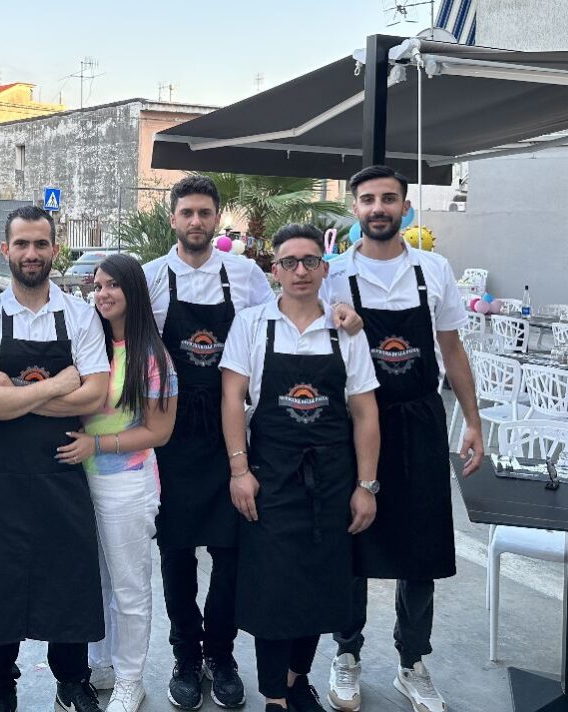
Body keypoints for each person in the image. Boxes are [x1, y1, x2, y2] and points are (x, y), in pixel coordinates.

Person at [142, 175, 362, 710]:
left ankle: (221, 653)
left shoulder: (244, 276)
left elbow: (297, 303)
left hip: (229, 429)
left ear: (217, 219)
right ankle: (185, 656)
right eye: (187, 212)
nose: (196, 221)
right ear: (173, 218)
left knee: (230, 549)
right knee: (175, 551)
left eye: (205, 212)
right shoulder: (150, 278)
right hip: (172, 429)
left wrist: (344, 312)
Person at [322, 166, 484, 712]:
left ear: (405, 207)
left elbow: (453, 349)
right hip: (354, 421)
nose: (378, 208)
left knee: (421, 546)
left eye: (388, 198)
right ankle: (346, 653)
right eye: (368, 199)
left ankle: (412, 662)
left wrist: (474, 422)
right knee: (351, 540)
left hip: (419, 421)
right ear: (354, 209)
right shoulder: (334, 275)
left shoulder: (433, 269)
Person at [220, 224, 381, 712]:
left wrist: (366, 485)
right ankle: (273, 694)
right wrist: (238, 470)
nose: (300, 271)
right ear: (275, 271)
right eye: (289, 262)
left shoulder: (345, 329)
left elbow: (365, 411)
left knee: (319, 584)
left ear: (324, 269)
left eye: (310, 261)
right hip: (270, 475)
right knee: (273, 589)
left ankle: (296, 680)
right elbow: (232, 398)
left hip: (332, 478)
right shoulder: (251, 324)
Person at [0, 205, 111, 712]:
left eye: (40, 244)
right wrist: (60, 384)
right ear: (6, 250)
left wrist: (15, 392)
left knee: (68, 574)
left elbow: (95, 398)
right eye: (21, 244)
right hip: (1, 475)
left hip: (62, 468)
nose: (30, 253)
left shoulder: (81, 315)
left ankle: (72, 680)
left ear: (54, 249)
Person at [56, 253, 178, 712]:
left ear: (134, 292)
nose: (103, 294)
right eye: (98, 285)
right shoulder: (91, 343)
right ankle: (101, 663)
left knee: (129, 586)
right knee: (98, 582)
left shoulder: (151, 354)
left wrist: (97, 447)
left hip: (126, 484)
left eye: (114, 286)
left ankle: (131, 677)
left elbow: (159, 432)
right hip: (78, 482)